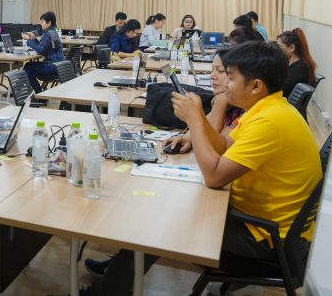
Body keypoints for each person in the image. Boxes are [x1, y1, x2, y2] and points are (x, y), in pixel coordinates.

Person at [85, 41, 322, 296]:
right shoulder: (268, 108)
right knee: (166, 210)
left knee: (159, 222)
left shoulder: (270, 121)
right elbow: (223, 145)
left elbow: (214, 177)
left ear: (255, 86)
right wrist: (198, 117)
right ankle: (116, 275)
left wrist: (195, 120)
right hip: (265, 226)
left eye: (231, 78)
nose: (225, 84)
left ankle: (106, 289)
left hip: (266, 239)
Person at [160, 48, 243, 154]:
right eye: (212, 70)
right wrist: (187, 138)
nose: (212, 76)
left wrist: (195, 116)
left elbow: (217, 148)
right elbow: (207, 126)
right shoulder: (231, 104)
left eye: (221, 71)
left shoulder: (245, 112)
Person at [22, 11, 66, 93]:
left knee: (28, 69)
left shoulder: (48, 34)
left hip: (52, 66)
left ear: (49, 23)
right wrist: (33, 38)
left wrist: (28, 40)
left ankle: (39, 93)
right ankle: (37, 92)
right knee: (28, 66)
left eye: (42, 22)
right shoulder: (53, 32)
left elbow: (40, 50)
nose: (41, 24)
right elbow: (42, 46)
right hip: (60, 65)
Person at [277, 28, 317, 96]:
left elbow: (281, 89)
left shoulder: (300, 68)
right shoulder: (294, 63)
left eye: (280, 47)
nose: (277, 50)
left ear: (292, 47)